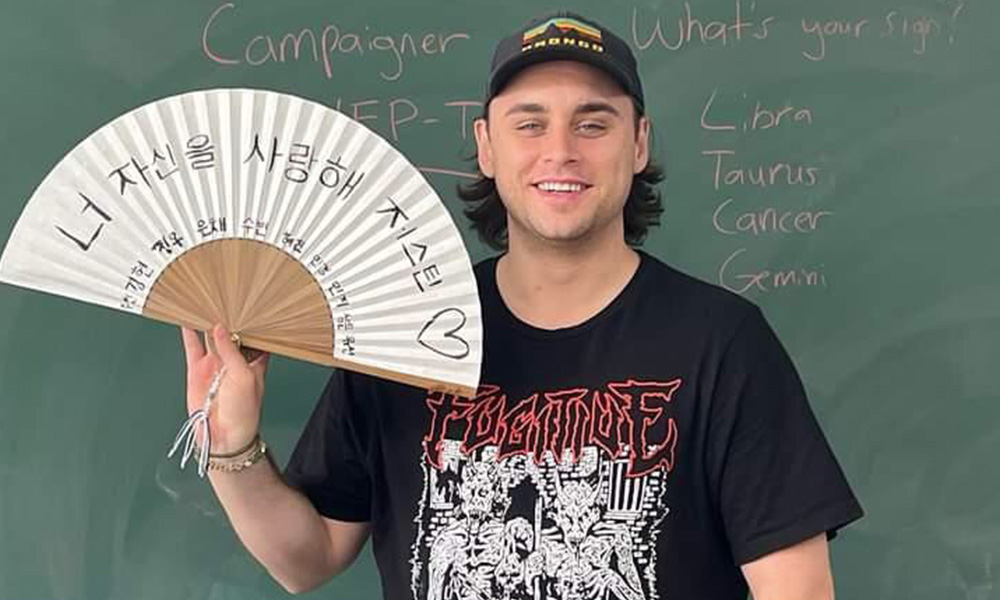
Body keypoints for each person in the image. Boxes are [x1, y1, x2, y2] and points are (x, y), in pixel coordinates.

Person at [180, 11, 863, 600]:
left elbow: (797, 588)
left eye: (592, 124)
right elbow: (309, 558)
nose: (559, 152)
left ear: (639, 143)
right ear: (486, 147)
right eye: (528, 124)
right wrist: (230, 445)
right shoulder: (407, 332)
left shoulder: (722, 343)